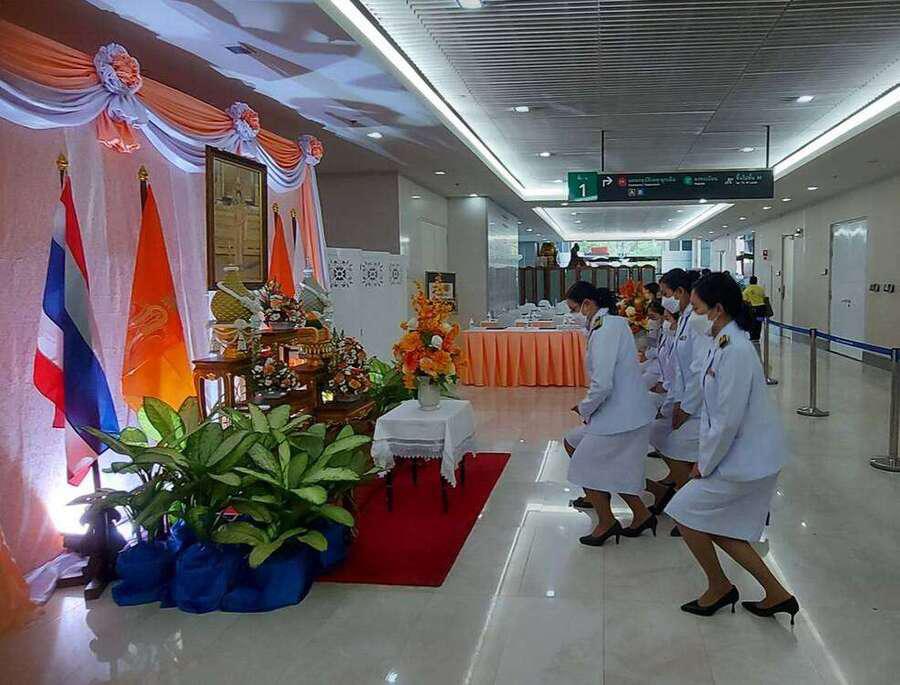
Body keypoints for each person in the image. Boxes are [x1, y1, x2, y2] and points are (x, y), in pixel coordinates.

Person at [666, 273, 798, 623]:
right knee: (714, 523)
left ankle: (721, 586)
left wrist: (704, 464)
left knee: (684, 511)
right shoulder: (721, 341)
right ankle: (776, 594)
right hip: (737, 455)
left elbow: (726, 420)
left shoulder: (735, 350)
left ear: (718, 309)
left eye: (697, 309)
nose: (692, 315)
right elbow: (714, 410)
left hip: (747, 458)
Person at [563, 285, 658, 545]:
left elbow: (603, 383)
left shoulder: (605, 329)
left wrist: (585, 408)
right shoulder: (610, 324)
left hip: (621, 415)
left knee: (584, 465)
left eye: (574, 309)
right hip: (625, 411)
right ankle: (641, 514)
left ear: (588, 304)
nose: (573, 315)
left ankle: (607, 522)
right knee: (614, 467)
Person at [742, 276, 767, 342]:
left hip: (753, 308)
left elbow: (744, 299)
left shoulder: (748, 289)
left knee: (752, 321)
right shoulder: (761, 289)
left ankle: (753, 336)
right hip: (761, 309)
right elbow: (764, 297)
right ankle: (757, 336)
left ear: (750, 281)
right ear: (756, 281)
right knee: (759, 322)